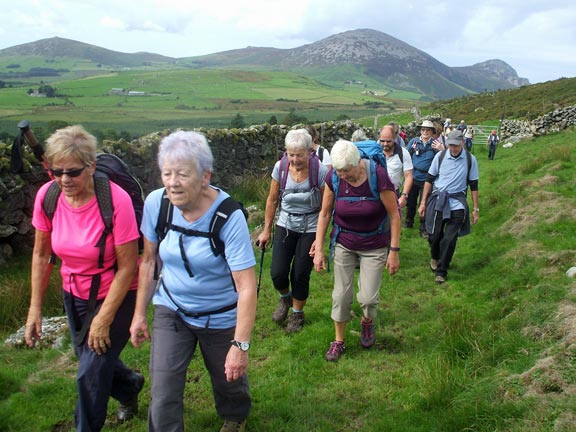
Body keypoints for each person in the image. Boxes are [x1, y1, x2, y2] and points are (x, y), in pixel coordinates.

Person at [129, 131, 257, 432]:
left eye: (182, 174)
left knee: (229, 378)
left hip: (220, 313)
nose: (172, 182)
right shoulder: (156, 204)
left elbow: (247, 285)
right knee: (163, 390)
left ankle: (235, 415)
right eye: (167, 173)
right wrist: (138, 314)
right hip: (171, 308)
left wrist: (240, 345)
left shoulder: (228, 216)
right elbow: (148, 261)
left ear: (204, 177)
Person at [24, 125, 143, 431]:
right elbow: (41, 255)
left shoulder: (115, 200)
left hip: (117, 292)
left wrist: (104, 319)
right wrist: (34, 309)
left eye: (73, 172)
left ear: (91, 166)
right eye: (57, 171)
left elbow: (128, 266)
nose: (65, 180)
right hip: (73, 293)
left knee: (89, 372)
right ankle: (130, 386)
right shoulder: (48, 197)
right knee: (93, 362)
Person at [311, 139, 400, 362]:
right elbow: (324, 214)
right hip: (344, 242)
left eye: (347, 171)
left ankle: (367, 321)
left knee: (368, 299)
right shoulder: (334, 178)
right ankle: (338, 341)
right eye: (339, 171)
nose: (343, 176)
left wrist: (394, 250)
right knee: (341, 296)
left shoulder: (377, 176)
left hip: (374, 243)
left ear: (358, 162)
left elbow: (394, 214)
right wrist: (319, 248)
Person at [257, 129, 329, 333]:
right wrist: (266, 230)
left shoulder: (320, 170)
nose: (295, 160)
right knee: (278, 273)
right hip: (285, 223)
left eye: (300, 154)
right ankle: (285, 298)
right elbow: (272, 200)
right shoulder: (280, 168)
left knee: (300, 273)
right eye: (291, 154)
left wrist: (320, 239)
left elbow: (326, 206)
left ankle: (297, 313)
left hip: (311, 226)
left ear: (309, 151)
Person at [418, 130, 479, 284]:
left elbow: (474, 186)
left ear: (462, 143)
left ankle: (441, 271)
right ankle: (435, 256)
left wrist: (475, 209)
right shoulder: (440, 156)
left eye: (456, 146)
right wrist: (423, 202)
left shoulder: (471, 160)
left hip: (457, 204)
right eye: (450, 145)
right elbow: (429, 179)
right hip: (439, 201)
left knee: (449, 239)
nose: (453, 149)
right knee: (434, 236)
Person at [406, 120, 444, 237]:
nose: (425, 131)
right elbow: (407, 156)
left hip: (427, 179)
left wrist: (442, 149)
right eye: (423, 129)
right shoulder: (414, 142)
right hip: (413, 176)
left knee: (425, 203)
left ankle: (423, 227)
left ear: (432, 132)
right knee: (411, 201)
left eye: (428, 130)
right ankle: (409, 222)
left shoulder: (435, 144)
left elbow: (445, 159)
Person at [378, 125, 413, 208]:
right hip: (375, 193)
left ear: (394, 138)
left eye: (388, 141)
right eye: (382, 141)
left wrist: (404, 195)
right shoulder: (374, 152)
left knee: (393, 219)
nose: (385, 144)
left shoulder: (403, 153)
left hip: (393, 193)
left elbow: (408, 176)